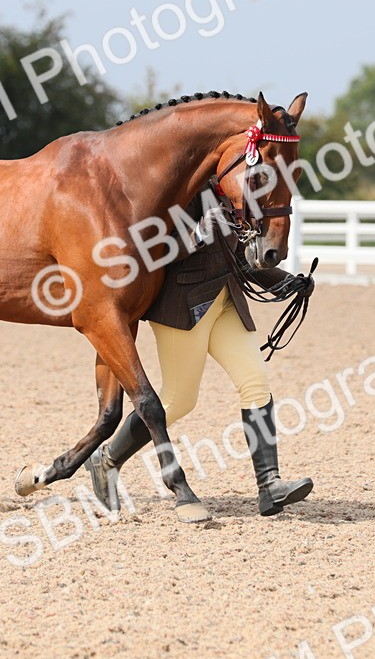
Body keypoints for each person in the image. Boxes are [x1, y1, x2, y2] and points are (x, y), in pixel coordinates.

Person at [85, 192, 315, 518]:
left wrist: (287, 283)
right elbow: (154, 249)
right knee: (179, 400)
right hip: (183, 306)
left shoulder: (231, 191)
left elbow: (239, 256)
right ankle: (106, 459)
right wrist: (198, 234)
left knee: (255, 382)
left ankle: (269, 486)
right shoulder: (180, 187)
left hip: (225, 302)